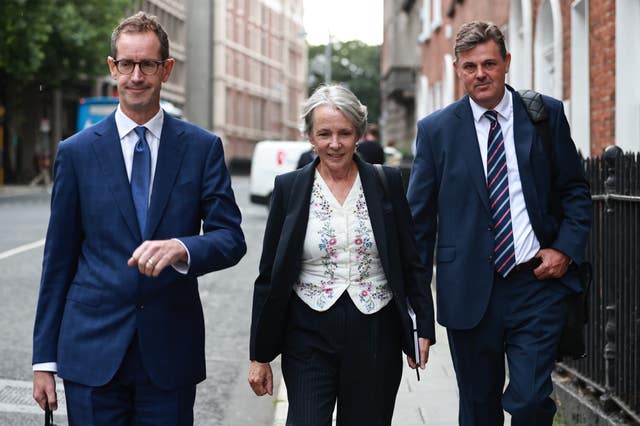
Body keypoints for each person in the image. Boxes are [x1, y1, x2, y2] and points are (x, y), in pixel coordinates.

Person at [31, 11, 246, 424]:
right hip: (91, 353)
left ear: (166, 69)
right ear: (112, 68)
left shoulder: (202, 149)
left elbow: (230, 237)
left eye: (147, 64)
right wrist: (44, 359)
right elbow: (58, 259)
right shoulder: (75, 153)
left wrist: (183, 247)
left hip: (168, 354)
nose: (136, 76)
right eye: (126, 64)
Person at [407, 21, 591, 425]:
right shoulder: (436, 131)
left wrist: (564, 249)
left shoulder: (545, 115)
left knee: (529, 400)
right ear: (457, 69)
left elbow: (576, 191)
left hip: (535, 285)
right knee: (477, 407)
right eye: (470, 66)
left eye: (489, 63)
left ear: (507, 62)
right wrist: (417, 310)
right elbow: (418, 225)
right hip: (468, 290)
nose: (480, 74)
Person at [248, 84, 435, 425]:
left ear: (359, 135)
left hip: (376, 332)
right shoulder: (289, 189)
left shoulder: (387, 183)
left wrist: (423, 323)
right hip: (307, 333)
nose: (334, 144)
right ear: (310, 137)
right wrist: (259, 356)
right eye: (324, 134)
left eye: (344, 133)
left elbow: (412, 260)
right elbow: (269, 276)